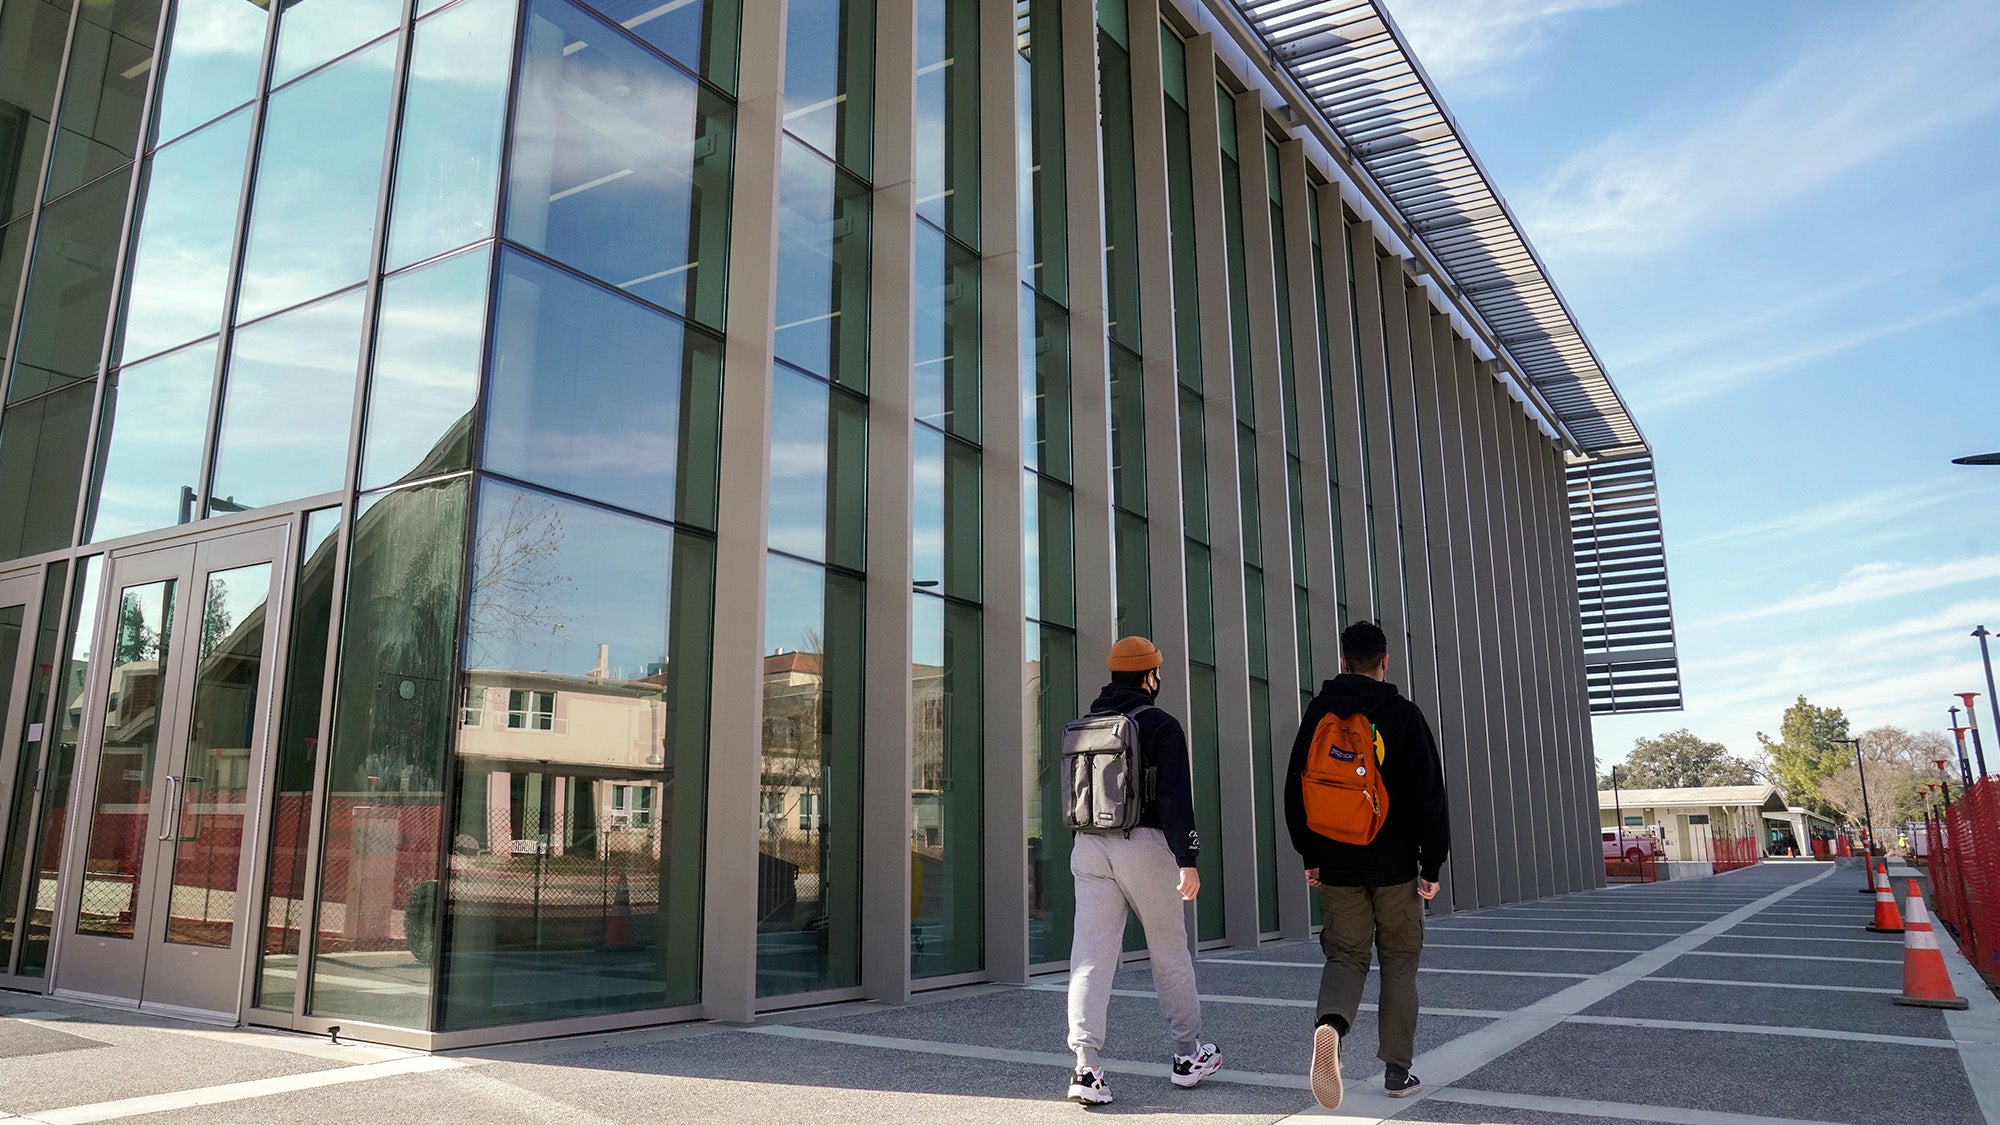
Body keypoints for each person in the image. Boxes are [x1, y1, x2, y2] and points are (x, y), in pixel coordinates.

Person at [1283, 620, 1450, 1108]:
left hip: (1336, 862)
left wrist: (1310, 854)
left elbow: (1296, 787)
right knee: (1398, 962)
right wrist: (1431, 865)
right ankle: (1397, 1072)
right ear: (1385, 662)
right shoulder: (1403, 715)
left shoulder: (1320, 712)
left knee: (1345, 956)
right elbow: (1429, 797)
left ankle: (1331, 1025)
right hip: (1395, 865)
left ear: (1342, 662)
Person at [1064, 636, 1220, 1106]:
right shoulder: (1161, 725)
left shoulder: (1088, 723)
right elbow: (1174, 798)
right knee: (1168, 950)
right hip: (1145, 846)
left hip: (1089, 845)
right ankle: (1188, 1054)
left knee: (1090, 955)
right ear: (1150, 676)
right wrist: (1187, 859)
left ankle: (1086, 1067)